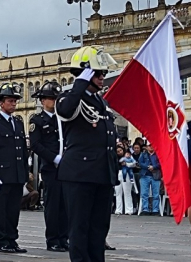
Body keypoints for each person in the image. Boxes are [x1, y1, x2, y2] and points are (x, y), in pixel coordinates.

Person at [55, 45, 119, 261]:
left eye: (103, 73)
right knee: (79, 227)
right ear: (86, 73)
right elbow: (64, 111)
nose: (103, 77)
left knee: (99, 228)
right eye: (98, 73)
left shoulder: (101, 101)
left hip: (101, 173)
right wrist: (79, 83)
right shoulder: (70, 97)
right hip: (80, 174)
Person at [0, 83, 30, 253]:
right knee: (0, 210)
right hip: (2, 174)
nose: (13, 104)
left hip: (16, 174)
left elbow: (22, 151)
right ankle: (2, 241)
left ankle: (12, 239)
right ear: (1, 103)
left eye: (15, 101)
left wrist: (24, 173)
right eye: (10, 101)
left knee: (13, 211)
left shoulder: (17, 123)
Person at [29, 80, 68, 251]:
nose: (55, 101)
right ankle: (52, 239)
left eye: (56, 98)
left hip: (67, 167)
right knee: (53, 205)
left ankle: (63, 237)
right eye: (51, 98)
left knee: (65, 205)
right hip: (51, 167)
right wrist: (54, 158)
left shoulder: (63, 119)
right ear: (43, 101)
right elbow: (36, 145)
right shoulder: (37, 120)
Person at [138, 145, 161, 216]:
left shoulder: (158, 154)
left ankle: (155, 210)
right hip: (145, 175)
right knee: (144, 194)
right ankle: (145, 209)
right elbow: (140, 163)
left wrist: (154, 167)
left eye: (152, 145)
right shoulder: (143, 154)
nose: (151, 147)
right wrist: (148, 167)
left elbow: (161, 163)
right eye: (149, 146)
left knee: (156, 194)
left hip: (155, 176)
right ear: (147, 147)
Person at [115, 147, 136, 215]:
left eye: (121, 150)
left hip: (126, 173)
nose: (119, 152)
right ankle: (118, 209)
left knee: (127, 192)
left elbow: (134, 164)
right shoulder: (115, 157)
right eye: (118, 151)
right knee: (118, 192)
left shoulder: (128, 156)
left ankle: (129, 209)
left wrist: (126, 164)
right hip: (117, 173)